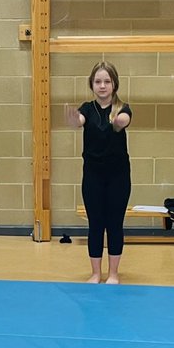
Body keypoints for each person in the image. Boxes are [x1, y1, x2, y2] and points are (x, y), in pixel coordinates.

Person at [64, 61, 132, 284]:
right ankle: (96, 273)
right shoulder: (87, 108)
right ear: (92, 84)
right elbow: (80, 120)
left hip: (118, 177)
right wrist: (74, 121)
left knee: (114, 224)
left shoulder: (121, 108)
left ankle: (113, 273)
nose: (102, 86)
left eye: (107, 81)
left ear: (114, 84)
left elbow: (124, 120)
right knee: (95, 224)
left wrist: (120, 122)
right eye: (98, 81)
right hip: (93, 176)